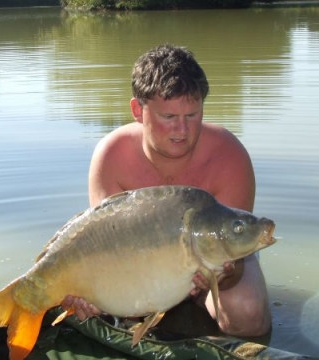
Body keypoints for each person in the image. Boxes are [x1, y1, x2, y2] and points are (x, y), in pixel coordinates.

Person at [62, 44, 271, 337]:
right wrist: (91, 294)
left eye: (192, 115)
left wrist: (224, 275)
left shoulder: (228, 155)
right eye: (169, 117)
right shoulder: (111, 156)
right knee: (113, 311)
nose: (182, 131)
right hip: (138, 265)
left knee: (248, 314)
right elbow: (107, 250)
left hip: (211, 269)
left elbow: (232, 251)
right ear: (138, 110)